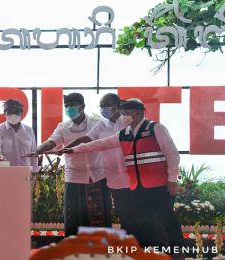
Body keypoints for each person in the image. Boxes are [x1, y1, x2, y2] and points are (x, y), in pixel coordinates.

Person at [58, 99, 184, 251]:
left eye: (128, 113)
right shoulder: (124, 134)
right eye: (123, 113)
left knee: (166, 220)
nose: (124, 116)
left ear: (139, 113)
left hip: (159, 185)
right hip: (137, 188)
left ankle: (178, 253)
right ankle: (148, 253)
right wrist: (73, 150)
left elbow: (173, 155)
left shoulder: (155, 128)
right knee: (143, 223)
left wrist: (172, 179)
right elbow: (99, 144)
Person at [24, 93, 107, 236]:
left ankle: (98, 252)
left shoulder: (97, 123)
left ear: (82, 107)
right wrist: (37, 150)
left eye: (72, 105)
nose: (69, 109)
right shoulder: (63, 126)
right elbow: (52, 142)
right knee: (73, 217)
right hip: (73, 177)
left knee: (98, 218)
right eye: (66, 106)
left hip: (97, 176)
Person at [62, 93, 132, 233]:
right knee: (122, 216)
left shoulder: (129, 123)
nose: (103, 109)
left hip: (132, 178)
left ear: (118, 106)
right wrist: (68, 149)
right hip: (113, 179)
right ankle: (122, 249)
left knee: (135, 217)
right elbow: (87, 139)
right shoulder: (102, 125)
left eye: (107, 105)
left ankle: (139, 250)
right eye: (101, 106)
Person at [0, 99, 38, 174]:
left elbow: (33, 152)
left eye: (16, 111)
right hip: (5, 174)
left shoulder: (29, 130)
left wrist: (35, 172)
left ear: (21, 113)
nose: (13, 114)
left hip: (25, 174)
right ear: (4, 113)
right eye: (10, 111)